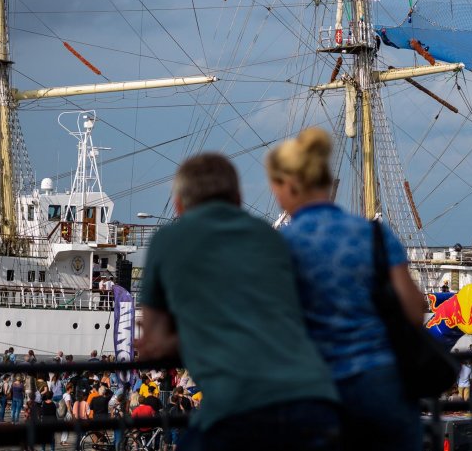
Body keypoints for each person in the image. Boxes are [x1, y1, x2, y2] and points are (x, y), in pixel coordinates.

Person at [138, 152, 341, 451]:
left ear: (180, 204)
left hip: (237, 407)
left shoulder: (168, 240)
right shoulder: (271, 238)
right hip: (311, 400)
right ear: (237, 198)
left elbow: (153, 345)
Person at [267, 127, 427, 451]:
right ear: (327, 183)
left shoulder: (278, 247)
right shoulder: (376, 236)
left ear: (286, 186)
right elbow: (414, 309)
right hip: (383, 387)